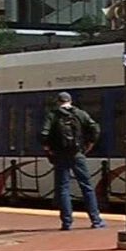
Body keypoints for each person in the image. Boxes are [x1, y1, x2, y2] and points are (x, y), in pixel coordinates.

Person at [40, 91, 105, 230]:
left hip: (60, 155)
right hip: (77, 154)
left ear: (58, 102)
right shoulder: (80, 114)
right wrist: (90, 144)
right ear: (70, 101)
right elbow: (95, 129)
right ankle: (96, 220)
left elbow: (43, 134)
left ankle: (67, 222)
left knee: (63, 188)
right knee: (87, 187)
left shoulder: (52, 115)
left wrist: (48, 149)